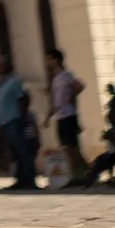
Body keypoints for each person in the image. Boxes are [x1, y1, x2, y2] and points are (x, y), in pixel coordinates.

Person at [0, 57, 38, 190]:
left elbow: (23, 98)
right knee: (15, 152)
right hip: (5, 122)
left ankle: (29, 179)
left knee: (23, 150)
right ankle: (20, 179)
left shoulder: (14, 81)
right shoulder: (1, 83)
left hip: (14, 120)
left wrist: (22, 117)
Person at [46, 49, 88, 187]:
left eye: (49, 59)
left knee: (71, 147)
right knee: (66, 147)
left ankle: (82, 172)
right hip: (60, 116)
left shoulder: (66, 75)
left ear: (56, 60)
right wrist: (48, 116)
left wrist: (71, 97)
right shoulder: (55, 78)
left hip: (69, 115)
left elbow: (80, 85)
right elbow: (55, 100)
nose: (47, 62)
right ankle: (79, 173)